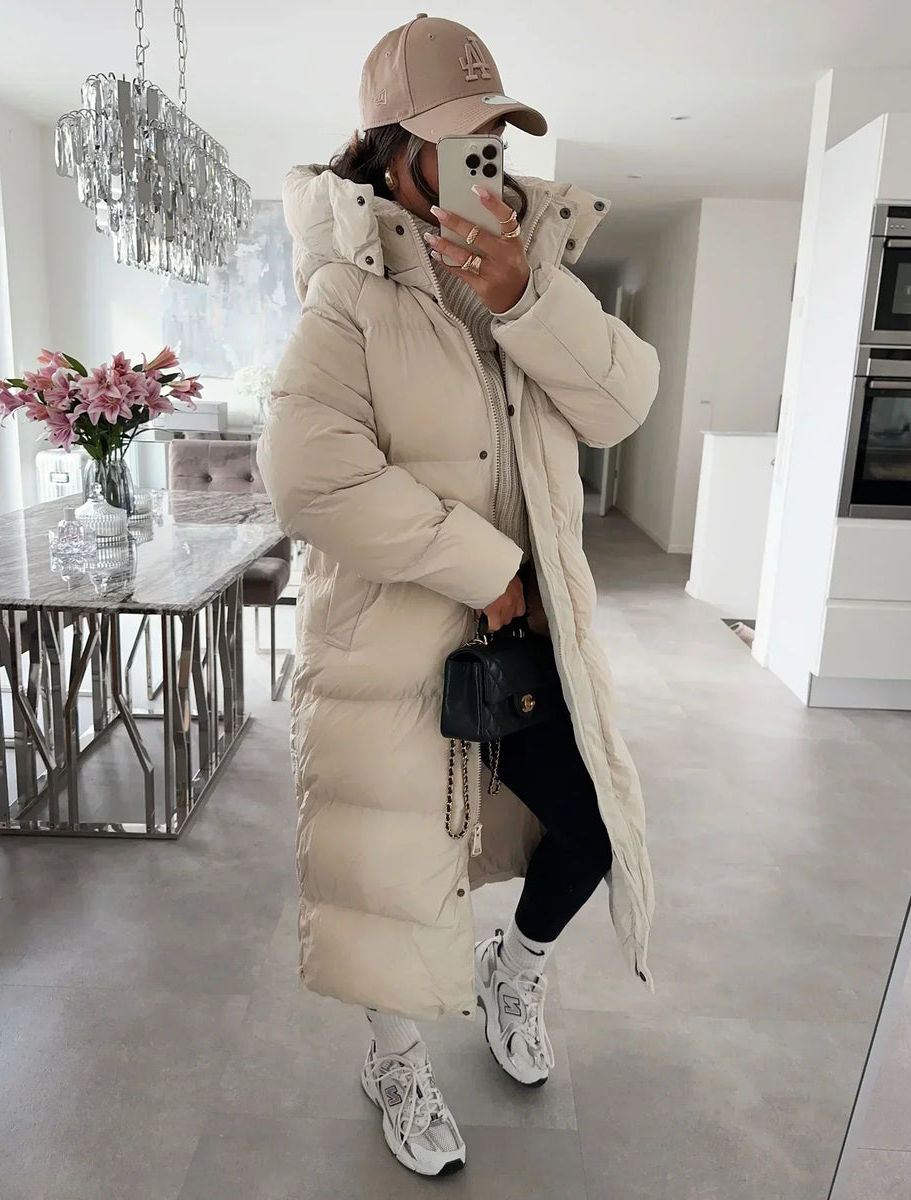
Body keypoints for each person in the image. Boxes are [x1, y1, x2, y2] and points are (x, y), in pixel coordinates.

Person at [258, 13, 660, 1178]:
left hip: (526, 647)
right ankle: (393, 1061)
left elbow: (622, 405)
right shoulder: (344, 298)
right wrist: (485, 570)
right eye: (458, 137)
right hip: (389, 650)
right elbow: (310, 477)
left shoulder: (529, 270)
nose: (488, 157)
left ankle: (514, 970)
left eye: (496, 133)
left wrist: (528, 297)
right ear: (395, 153)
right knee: (391, 877)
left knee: (591, 827)